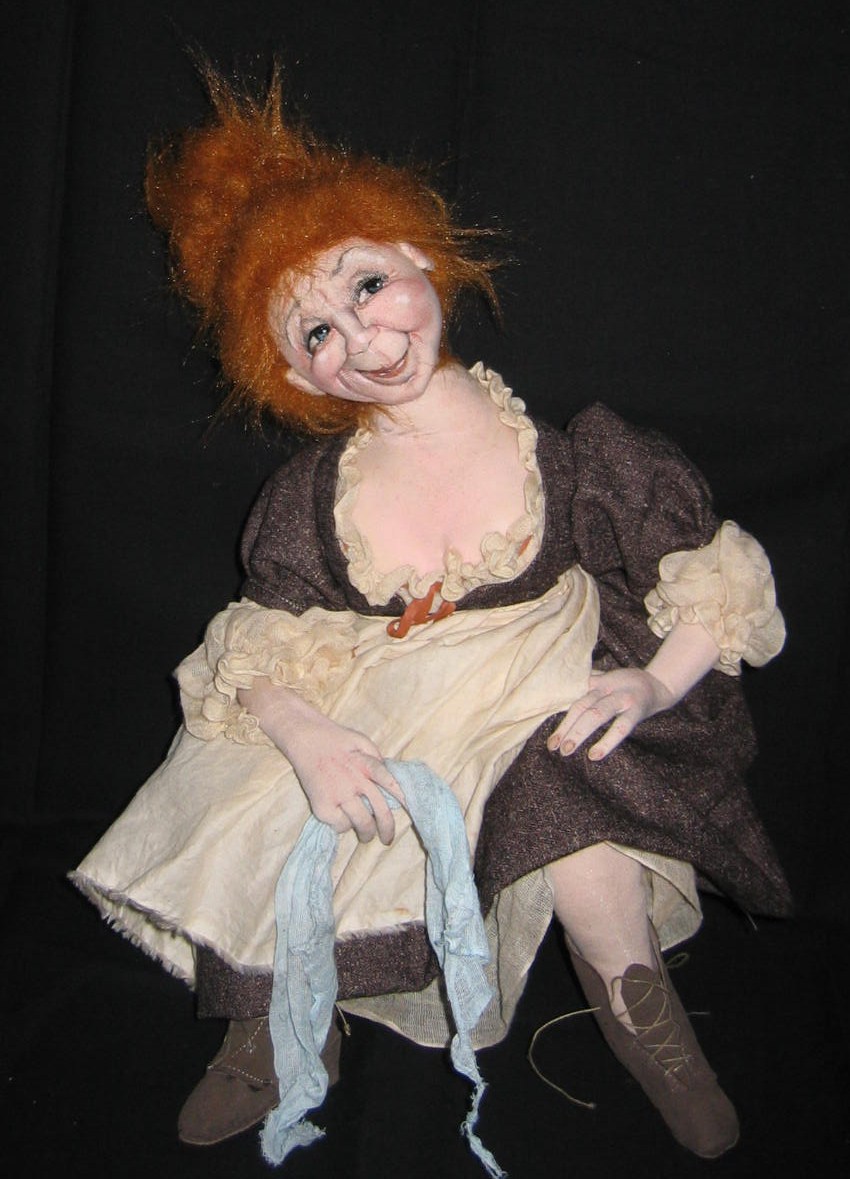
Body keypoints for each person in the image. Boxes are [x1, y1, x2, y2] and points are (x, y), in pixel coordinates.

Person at [72, 67, 791, 1165]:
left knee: (576, 810)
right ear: (297, 375)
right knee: (276, 806)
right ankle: (277, 1020)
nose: (361, 339)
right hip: (385, 701)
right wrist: (306, 735)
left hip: (530, 688)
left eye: (366, 285)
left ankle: (642, 1013)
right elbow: (263, 640)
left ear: (418, 255)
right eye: (315, 334)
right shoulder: (313, 499)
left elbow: (705, 572)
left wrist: (653, 681)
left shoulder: (573, 459)